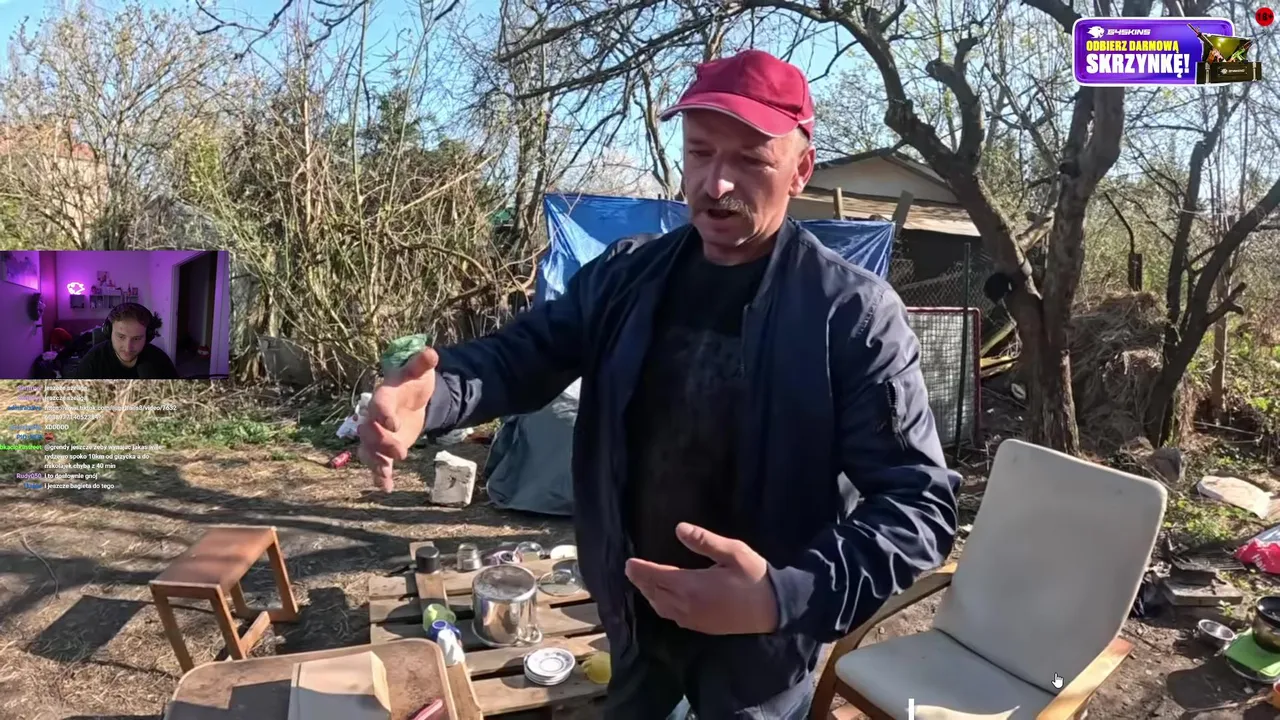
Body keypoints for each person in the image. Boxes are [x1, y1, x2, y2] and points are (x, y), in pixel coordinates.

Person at [360, 49, 959, 719]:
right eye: (700, 153)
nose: (717, 182)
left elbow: (918, 508)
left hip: (760, 651)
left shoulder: (849, 314)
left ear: (800, 170)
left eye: (751, 160)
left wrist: (780, 596)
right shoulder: (626, 275)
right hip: (634, 617)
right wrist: (437, 395)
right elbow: (523, 356)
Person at [72, 302, 179, 380]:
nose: (128, 347)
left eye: (136, 338)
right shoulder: (93, 361)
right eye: (121, 337)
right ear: (109, 332)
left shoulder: (160, 360)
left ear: (148, 336)